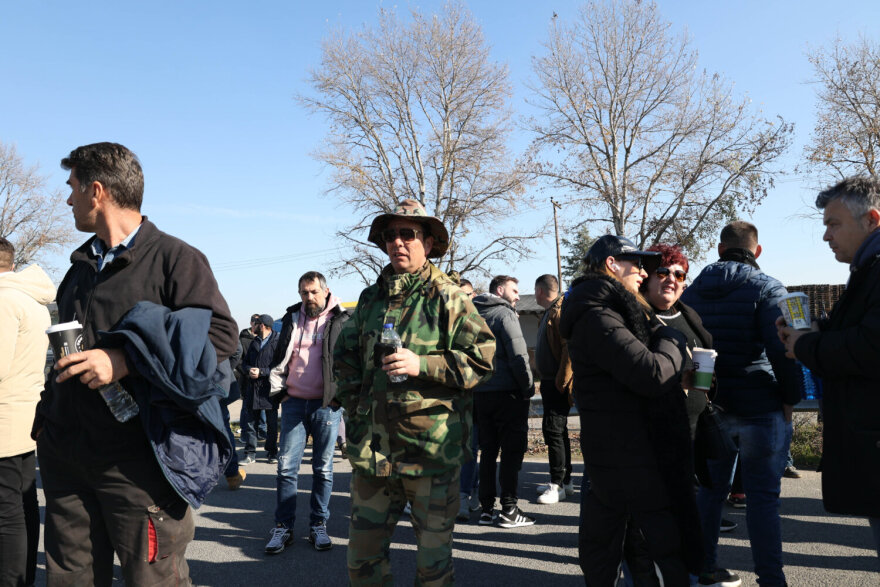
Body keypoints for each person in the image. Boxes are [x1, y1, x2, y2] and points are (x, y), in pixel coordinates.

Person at [34, 142, 238, 585]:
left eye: (72, 188)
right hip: (67, 457)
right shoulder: (79, 268)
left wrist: (126, 360)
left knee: (153, 580)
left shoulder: (175, 259)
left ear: (97, 191)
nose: (67, 199)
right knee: (69, 578)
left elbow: (221, 338)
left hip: (138, 464)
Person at [334, 198, 495, 585]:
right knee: (362, 563)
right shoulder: (371, 299)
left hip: (430, 455)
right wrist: (357, 413)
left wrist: (421, 364)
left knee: (433, 570)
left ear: (428, 242)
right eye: (391, 235)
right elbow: (346, 360)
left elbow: (482, 361)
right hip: (375, 457)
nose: (398, 242)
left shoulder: (448, 296)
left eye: (408, 234)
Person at [559, 235, 696, 585]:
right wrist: (673, 341)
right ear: (610, 264)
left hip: (625, 451)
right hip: (625, 454)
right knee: (646, 550)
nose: (641, 271)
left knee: (624, 547)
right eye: (635, 263)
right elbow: (649, 373)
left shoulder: (617, 310)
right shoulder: (596, 315)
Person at [682, 221, 801, 587]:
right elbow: (785, 349)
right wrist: (790, 397)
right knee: (764, 500)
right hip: (760, 404)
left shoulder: (691, 291)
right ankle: (771, 579)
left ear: (719, 249)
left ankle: (704, 568)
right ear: (757, 251)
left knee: (710, 493)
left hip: (712, 405)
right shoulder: (767, 287)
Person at [777, 176, 880, 557]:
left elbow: (870, 347)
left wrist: (807, 343)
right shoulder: (867, 270)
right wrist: (810, 334)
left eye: (833, 224)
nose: (826, 236)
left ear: (871, 220)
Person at [641, 245, 739, 543]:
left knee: (694, 510)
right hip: (655, 436)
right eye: (663, 271)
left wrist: (708, 383)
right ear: (646, 277)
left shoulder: (687, 314)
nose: (672, 278)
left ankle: (698, 569)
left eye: (679, 273)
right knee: (658, 520)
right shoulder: (635, 319)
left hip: (695, 432)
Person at [263, 271, 349, 555]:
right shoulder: (290, 318)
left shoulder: (342, 318)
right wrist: (280, 393)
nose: (308, 297)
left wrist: (339, 397)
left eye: (313, 291)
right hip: (294, 403)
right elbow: (279, 358)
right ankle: (283, 527)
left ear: (326, 291)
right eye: (303, 292)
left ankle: (318, 525)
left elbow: (351, 361)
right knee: (286, 468)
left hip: (327, 405)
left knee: (323, 469)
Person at [0, 237, 55, 586]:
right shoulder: (30, 299)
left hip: (4, 418)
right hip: (24, 416)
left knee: (7, 513)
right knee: (22, 504)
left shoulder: (3, 300)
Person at [473, 276, 536, 528]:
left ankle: (486, 509)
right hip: (508, 393)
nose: (519, 296)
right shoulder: (504, 315)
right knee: (511, 452)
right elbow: (519, 356)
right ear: (500, 290)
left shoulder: (471, 314)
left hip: (480, 393)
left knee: (488, 451)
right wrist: (528, 387)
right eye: (515, 290)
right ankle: (509, 509)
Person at [533, 273, 575, 505]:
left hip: (557, 384)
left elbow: (568, 347)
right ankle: (565, 481)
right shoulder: (549, 312)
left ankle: (557, 484)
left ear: (539, 290)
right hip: (550, 382)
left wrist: (562, 380)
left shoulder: (559, 310)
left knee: (554, 431)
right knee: (558, 432)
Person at [455, 276, 481, 520]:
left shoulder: (479, 321)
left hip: (479, 397)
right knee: (466, 449)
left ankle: (471, 493)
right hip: (456, 399)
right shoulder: (448, 321)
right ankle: (462, 496)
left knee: (473, 449)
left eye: (467, 295)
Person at [241, 314, 280, 464]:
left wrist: (262, 372)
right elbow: (245, 363)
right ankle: (250, 453)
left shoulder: (277, 342)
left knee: (271, 424)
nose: (253, 326)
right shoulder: (254, 342)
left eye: (256, 323)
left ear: (262, 325)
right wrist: (249, 369)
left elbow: (280, 366)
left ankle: (272, 453)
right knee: (251, 423)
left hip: (269, 388)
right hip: (253, 388)